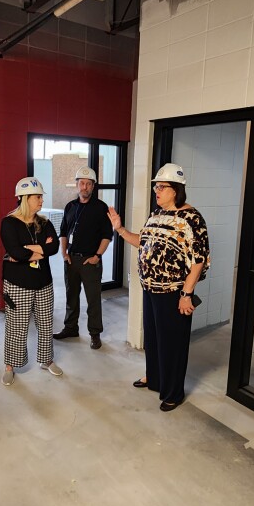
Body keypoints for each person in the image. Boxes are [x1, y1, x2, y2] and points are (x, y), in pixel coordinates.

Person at [107, 163, 210, 412]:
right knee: (153, 338)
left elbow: (199, 260)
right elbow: (142, 242)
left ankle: (174, 391)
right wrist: (120, 229)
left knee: (172, 343)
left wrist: (186, 295)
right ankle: (154, 378)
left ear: (175, 189)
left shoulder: (191, 218)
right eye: (156, 187)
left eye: (161, 187)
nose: (157, 191)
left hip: (174, 292)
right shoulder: (156, 214)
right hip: (151, 289)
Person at [0, 177, 62, 386]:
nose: (41, 201)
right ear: (25, 198)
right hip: (17, 285)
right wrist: (38, 249)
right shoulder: (9, 223)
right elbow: (14, 252)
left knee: (46, 324)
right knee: (17, 327)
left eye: (41, 197)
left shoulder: (44, 222)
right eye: (38, 197)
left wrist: (28, 250)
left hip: (43, 283)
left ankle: (47, 360)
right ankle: (10, 365)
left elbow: (53, 249)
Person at [54, 166, 113, 349]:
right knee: (71, 296)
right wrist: (64, 253)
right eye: (81, 183)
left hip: (90, 261)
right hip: (71, 260)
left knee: (93, 299)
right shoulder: (70, 206)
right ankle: (70, 327)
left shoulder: (100, 208)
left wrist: (97, 256)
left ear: (93, 186)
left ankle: (95, 334)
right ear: (77, 184)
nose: (84, 187)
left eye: (88, 184)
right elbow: (63, 232)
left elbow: (107, 235)